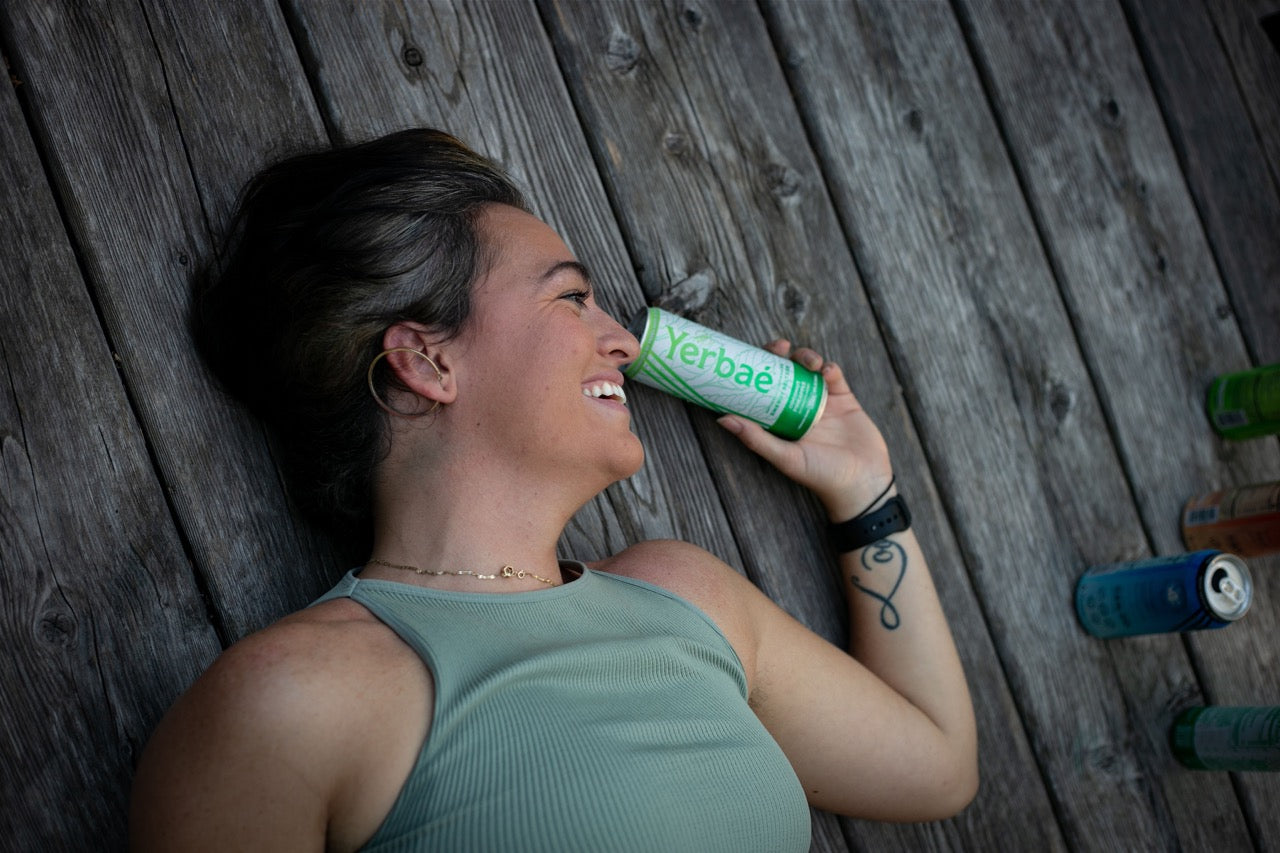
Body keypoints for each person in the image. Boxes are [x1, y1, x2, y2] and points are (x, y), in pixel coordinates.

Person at [130, 129, 977, 852]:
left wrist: (866, 491)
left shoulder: (686, 594)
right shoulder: (289, 701)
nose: (623, 343)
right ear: (426, 361)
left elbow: (937, 764)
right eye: (572, 297)